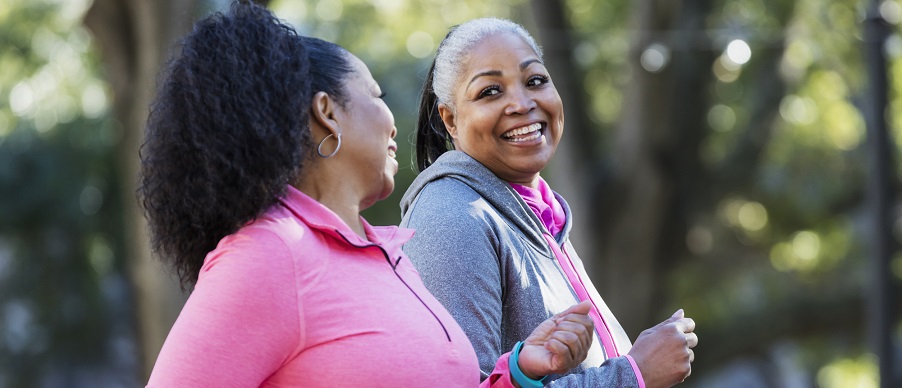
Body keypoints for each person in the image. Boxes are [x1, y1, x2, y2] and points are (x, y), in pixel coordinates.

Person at [139, 3, 597, 387]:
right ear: (327, 114)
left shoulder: (388, 254)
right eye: (374, 95)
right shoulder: (270, 254)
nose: (393, 121)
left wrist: (519, 370)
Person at [400, 17, 699, 387]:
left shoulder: (536, 213)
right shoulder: (452, 216)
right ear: (450, 120)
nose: (523, 103)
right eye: (491, 91)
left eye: (535, 81)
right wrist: (634, 373)